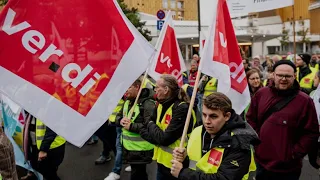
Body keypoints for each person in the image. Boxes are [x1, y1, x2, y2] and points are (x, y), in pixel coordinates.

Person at [247, 60, 319, 180]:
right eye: (280, 75)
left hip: (289, 167)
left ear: (294, 76)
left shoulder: (305, 101)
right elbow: (250, 119)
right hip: (262, 162)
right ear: (273, 75)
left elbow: (311, 132)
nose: (283, 79)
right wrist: (258, 143)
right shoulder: (261, 94)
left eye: (287, 76)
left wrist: (294, 153)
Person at [170, 92, 258, 180]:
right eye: (204, 115)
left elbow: (225, 178)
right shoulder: (197, 131)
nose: (207, 121)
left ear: (227, 116)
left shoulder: (239, 142)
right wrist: (184, 158)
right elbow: (197, 164)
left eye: (213, 116)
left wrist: (182, 173)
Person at [140, 74, 195, 180]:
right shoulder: (160, 104)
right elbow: (144, 129)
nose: (154, 90)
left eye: (157, 87)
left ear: (166, 90)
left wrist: (151, 124)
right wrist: (155, 132)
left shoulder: (181, 108)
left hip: (176, 166)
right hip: (161, 162)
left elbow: (164, 139)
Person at [105, 79, 156, 180]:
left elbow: (151, 127)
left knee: (137, 175)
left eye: (128, 87)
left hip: (141, 150)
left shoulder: (148, 104)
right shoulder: (127, 101)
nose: (125, 91)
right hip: (130, 148)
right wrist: (120, 121)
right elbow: (118, 116)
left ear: (137, 87)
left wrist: (131, 126)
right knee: (139, 174)